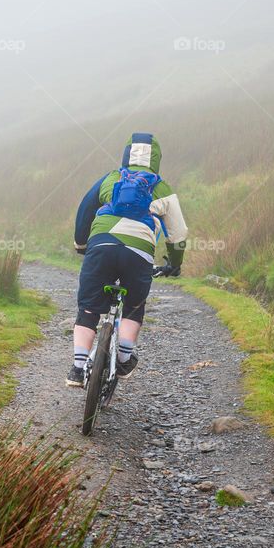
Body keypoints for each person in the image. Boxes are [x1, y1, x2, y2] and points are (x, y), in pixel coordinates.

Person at [67, 132, 188, 387]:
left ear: (125, 154)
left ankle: (78, 369)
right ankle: (123, 358)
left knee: (88, 307)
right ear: (156, 159)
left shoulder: (111, 178)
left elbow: (85, 209)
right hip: (139, 252)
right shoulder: (161, 187)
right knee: (133, 304)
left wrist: (81, 244)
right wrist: (174, 264)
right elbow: (178, 233)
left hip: (101, 244)